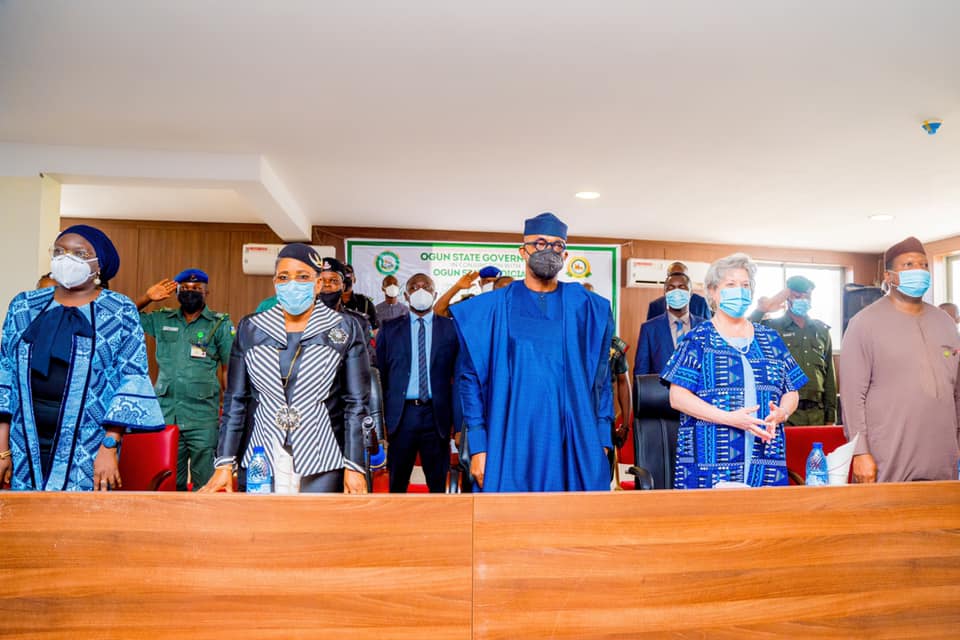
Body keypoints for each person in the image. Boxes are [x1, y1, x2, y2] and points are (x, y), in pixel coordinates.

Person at [451, 212, 614, 492]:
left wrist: (601, 438)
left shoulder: (588, 307)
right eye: (539, 243)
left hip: (572, 437)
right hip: (509, 437)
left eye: (556, 245)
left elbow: (602, 380)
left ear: (565, 255)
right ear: (522, 251)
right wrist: (478, 446)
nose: (548, 250)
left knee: (572, 527)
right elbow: (470, 382)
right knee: (509, 526)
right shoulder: (491, 308)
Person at [0, 224, 164, 491]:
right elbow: (4, 372)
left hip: (89, 443)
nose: (67, 258)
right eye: (60, 251)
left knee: (79, 522)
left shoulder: (119, 310)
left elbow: (131, 378)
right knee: (25, 524)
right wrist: (2, 450)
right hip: (24, 440)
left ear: (98, 265)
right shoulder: (24, 306)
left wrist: (110, 446)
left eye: (79, 253)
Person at [200, 243, 371, 494]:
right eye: (284, 277)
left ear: (317, 284)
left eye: (303, 277)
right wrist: (224, 463)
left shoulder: (344, 328)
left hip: (322, 459)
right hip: (260, 457)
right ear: (275, 284)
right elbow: (236, 401)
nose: (293, 284)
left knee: (314, 531)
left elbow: (356, 404)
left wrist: (354, 466)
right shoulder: (251, 328)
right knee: (261, 531)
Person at [661, 253, 807, 489]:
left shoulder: (769, 338)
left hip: (766, 457)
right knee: (711, 523)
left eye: (745, 285)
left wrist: (782, 412)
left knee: (764, 522)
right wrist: (729, 419)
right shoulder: (698, 339)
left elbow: (791, 390)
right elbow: (677, 397)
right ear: (713, 292)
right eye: (730, 284)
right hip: (710, 464)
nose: (739, 291)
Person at [840, 237, 960, 483]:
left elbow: (955, 389)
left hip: (942, 452)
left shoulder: (945, 323)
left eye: (924, 265)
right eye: (909, 265)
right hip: (887, 452)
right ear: (889, 276)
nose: (919, 270)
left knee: (942, 519)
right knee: (884, 517)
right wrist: (860, 452)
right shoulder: (864, 323)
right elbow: (853, 396)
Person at [136, 269, 234, 491]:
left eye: (197, 289)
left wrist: (229, 410)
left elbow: (229, 369)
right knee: (169, 480)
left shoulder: (219, 324)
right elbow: (125, 316)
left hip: (203, 417)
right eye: (185, 289)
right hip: (168, 414)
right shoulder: (162, 319)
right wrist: (146, 298)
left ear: (206, 292)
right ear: (177, 292)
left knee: (206, 482)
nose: (191, 292)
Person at [376, 273, 459, 492]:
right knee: (397, 482)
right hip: (402, 415)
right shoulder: (389, 329)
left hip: (437, 416)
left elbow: (458, 377)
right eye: (414, 287)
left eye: (426, 287)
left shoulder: (451, 328)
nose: (420, 291)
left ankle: (437, 525)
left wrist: (457, 425)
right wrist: (383, 419)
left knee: (437, 482)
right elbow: (382, 374)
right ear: (406, 294)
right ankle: (397, 524)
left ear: (435, 294)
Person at [749, 275, 837, 426]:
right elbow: (744, 331)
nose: (803, 299)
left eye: (807, 295)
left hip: (817, 413)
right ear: (787, 298)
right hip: (784, 413)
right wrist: (762, 309)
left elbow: (829, 377)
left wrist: (831, 416)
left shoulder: (821, 330)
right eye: (797, 295)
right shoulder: (772, 327)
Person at [634, 271, 707, 375]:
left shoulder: (705, 327)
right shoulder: (649, 329)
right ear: (665, 293)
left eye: (682, 287)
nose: (676, 292)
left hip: (696, 391)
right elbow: (641, 373)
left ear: (690, 293)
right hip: (660, 390)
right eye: (671, 288)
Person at [646, 262, 711, 320]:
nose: (677, 279)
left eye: (681, 277)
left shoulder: (702, 304)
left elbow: (710, 329)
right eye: (673, 276)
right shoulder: (656, 306)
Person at [341, 263, 378, 330]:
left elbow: (375, 330)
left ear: (354, 279)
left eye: (348, 275)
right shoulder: (329, 302)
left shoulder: (365, 303)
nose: (346, 280)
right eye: (343, 277)